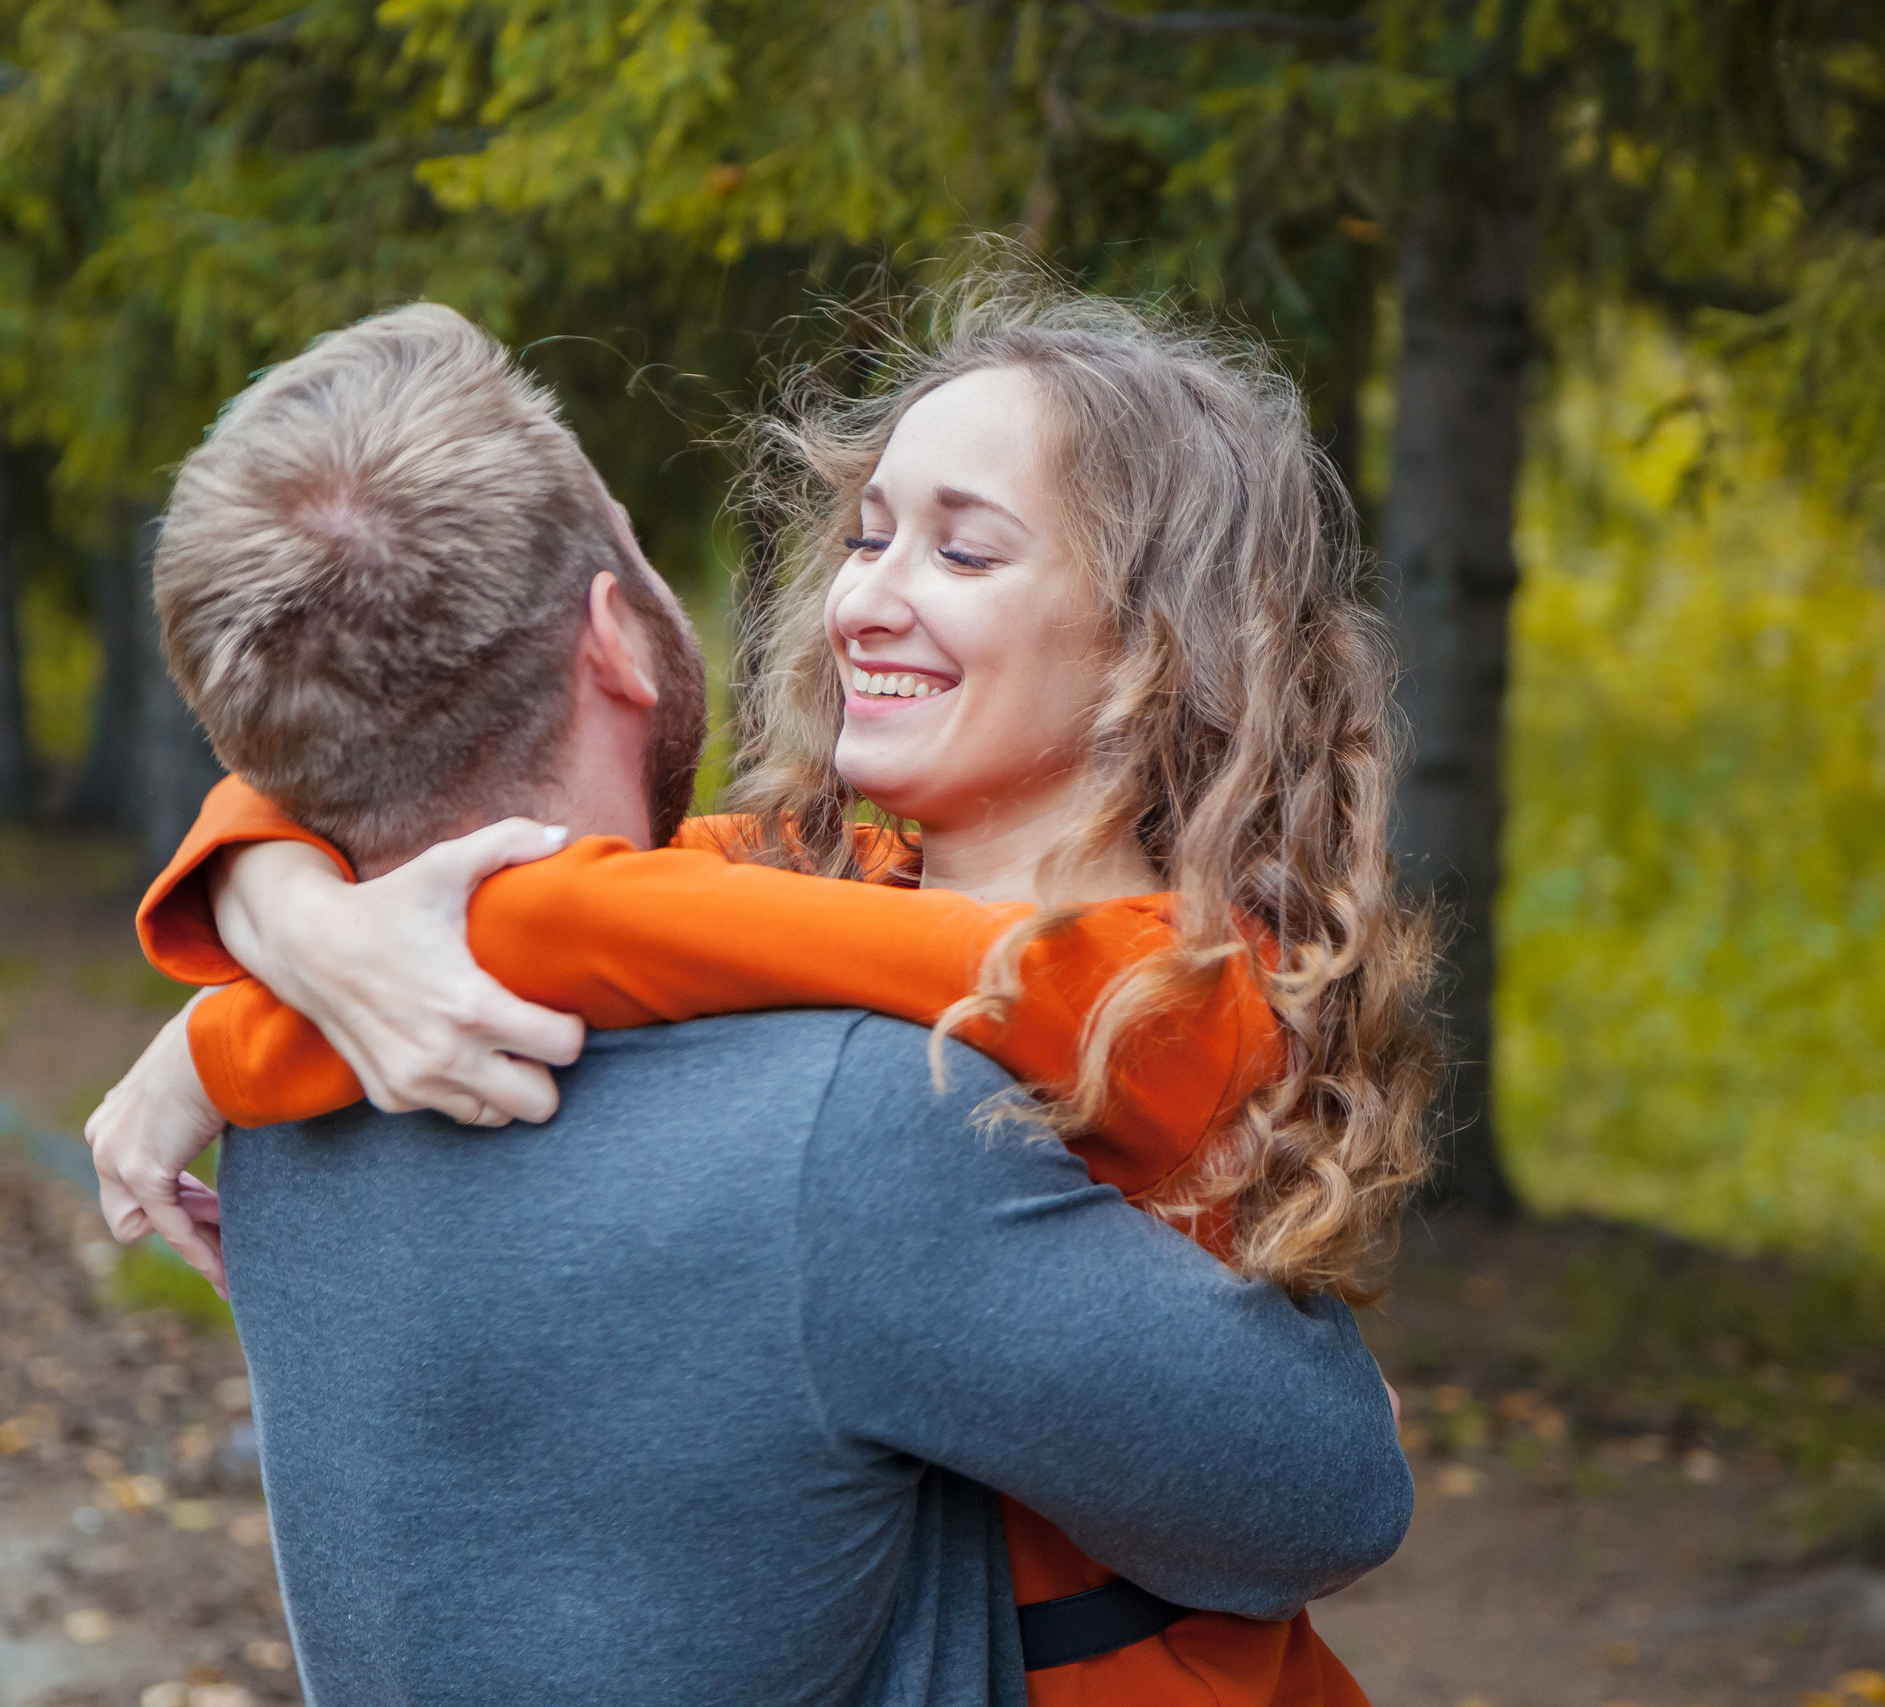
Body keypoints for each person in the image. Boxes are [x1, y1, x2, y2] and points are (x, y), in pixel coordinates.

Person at [92, 281, 1434, 1705]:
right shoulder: (834, 885)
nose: (865, 598)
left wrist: (240, 1018)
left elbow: (561, 903)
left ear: (1158, 642)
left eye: (964, 551)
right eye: (866, 535)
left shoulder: (1160, 982)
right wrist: (294, 915)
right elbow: (371, 753)